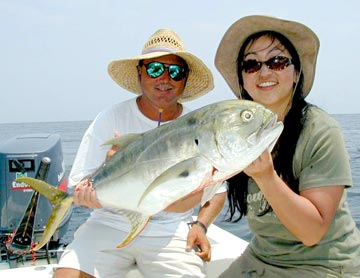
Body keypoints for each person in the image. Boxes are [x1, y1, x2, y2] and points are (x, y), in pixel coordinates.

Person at [54, 29, 226, 278]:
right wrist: (95, 183)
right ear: (140, 72)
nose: (165, 79)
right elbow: (79, 184)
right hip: (109, 223)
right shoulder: (110, 118)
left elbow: (218, 190)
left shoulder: (197, 126)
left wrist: (200, 225)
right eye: (155, 69)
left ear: (185, 80)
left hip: (170, 231)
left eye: (175, 72)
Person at [214, 15, 360, 277]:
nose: (265, 72)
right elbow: (187, 197)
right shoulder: (236, 132)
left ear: (296, 73)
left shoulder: (321, 131)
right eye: (251, 64)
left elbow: (312, 232)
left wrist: (266, 177)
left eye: (277, 61)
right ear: (243, 80)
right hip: (261, 256)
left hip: (322, 264)